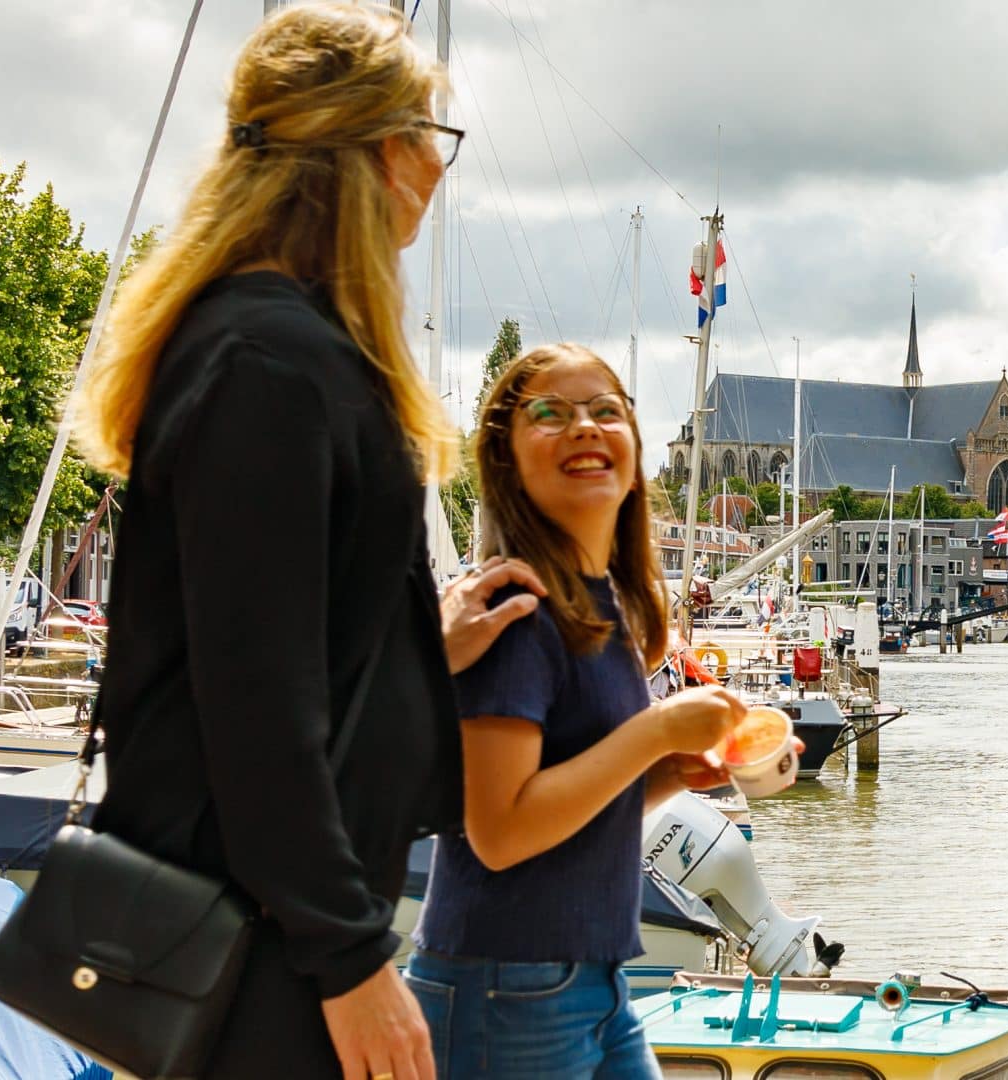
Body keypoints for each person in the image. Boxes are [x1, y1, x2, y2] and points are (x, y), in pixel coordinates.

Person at [69, 8, 536, 1078]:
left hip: (264, 934)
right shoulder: (271, 365)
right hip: (261, 954)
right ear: (366, 153)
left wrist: (415, 643)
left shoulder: (272, 348)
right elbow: (254, 706)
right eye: (429, 133)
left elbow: (276, 645)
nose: (437, 165)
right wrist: (351, 963)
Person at [407, 345, 747, 1079]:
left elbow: (579, 795)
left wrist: (669, 775)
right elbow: (499, 832)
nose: (585, 427)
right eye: (549, 414)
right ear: (505, 456)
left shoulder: (602, 602)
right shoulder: (516, 605)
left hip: (592, 982)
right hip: (504, 984)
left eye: (606, 411)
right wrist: (654, 732)